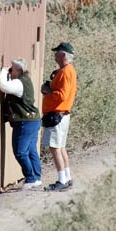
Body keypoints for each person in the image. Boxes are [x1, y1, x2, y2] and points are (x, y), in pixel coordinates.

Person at [0, 58, 42, 189]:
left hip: (25, 122)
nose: (10, 72)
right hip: (33, 120)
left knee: (20, 152)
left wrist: (3, 71)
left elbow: (3, 86)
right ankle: (37, 178)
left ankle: (31, 179)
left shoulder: (19, 83)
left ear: (18, 70)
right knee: (31, 151)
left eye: (11, 69)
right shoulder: (25, 80)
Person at [41, 42, 77, 191]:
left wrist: (48, 90)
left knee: (54, 147)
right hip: (62, 114)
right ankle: (66, 178)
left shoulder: (65, 72)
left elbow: (62, 95)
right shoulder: (68, 70)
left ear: (63, 55)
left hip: (57, 114)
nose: (55, 55)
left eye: (57, 52)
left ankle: (62, 180)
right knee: (60, 147)